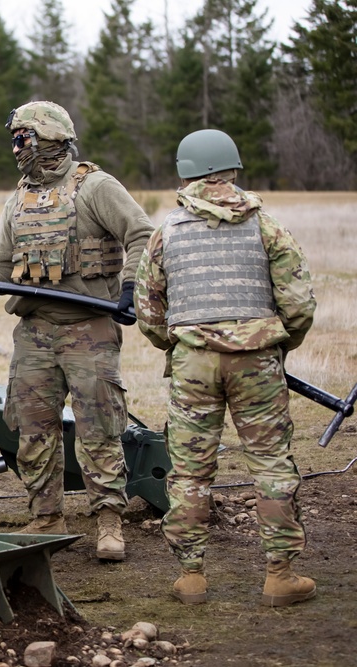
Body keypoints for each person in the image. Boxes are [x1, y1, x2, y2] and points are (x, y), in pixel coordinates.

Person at [0, 101, 153, 561]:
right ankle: (46, 516)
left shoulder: (96, 188)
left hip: (89, 329)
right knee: (32, 429)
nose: (16, 148)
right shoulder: (19, 200)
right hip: (35, 333)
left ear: (47, 137)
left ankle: (109, 519)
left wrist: (130, 288)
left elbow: (142, 234)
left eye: (22, 138)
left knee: (99, 429)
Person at [134, 129, 317, 606]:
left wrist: (178, 346)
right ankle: (280, 576)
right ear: (233, 168)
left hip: (193, 363)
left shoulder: (166, 233)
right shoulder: (267, 227)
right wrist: (278, 347)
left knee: (191, 471)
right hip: (257, 362)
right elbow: (298, 304)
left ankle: (191, 577)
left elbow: (149, 314)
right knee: (272, 464)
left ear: (186, 171)